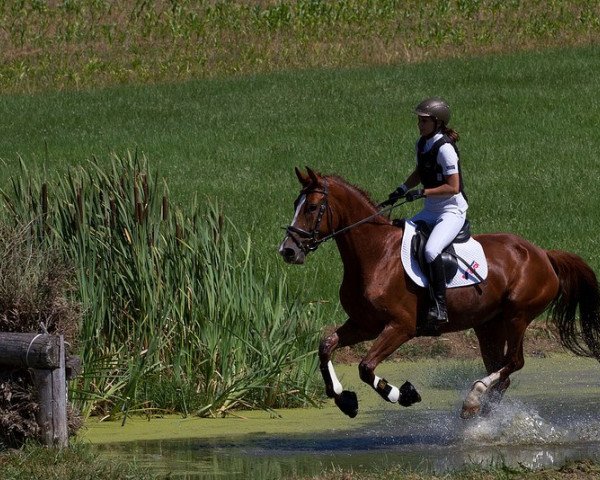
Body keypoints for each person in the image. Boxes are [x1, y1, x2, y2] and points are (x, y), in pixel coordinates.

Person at [382, 97, 468, 329]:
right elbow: (421, 170)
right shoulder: (423, 143)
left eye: (424, 121)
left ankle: (440, 306)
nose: (420, 125)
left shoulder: (446, 149)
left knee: (430, 251)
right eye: (419, 120)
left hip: (451, 211)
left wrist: (422, 192)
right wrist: (401, 189)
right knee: (400, 238)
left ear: (437, 123)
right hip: (431, 210)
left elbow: (453, 187)